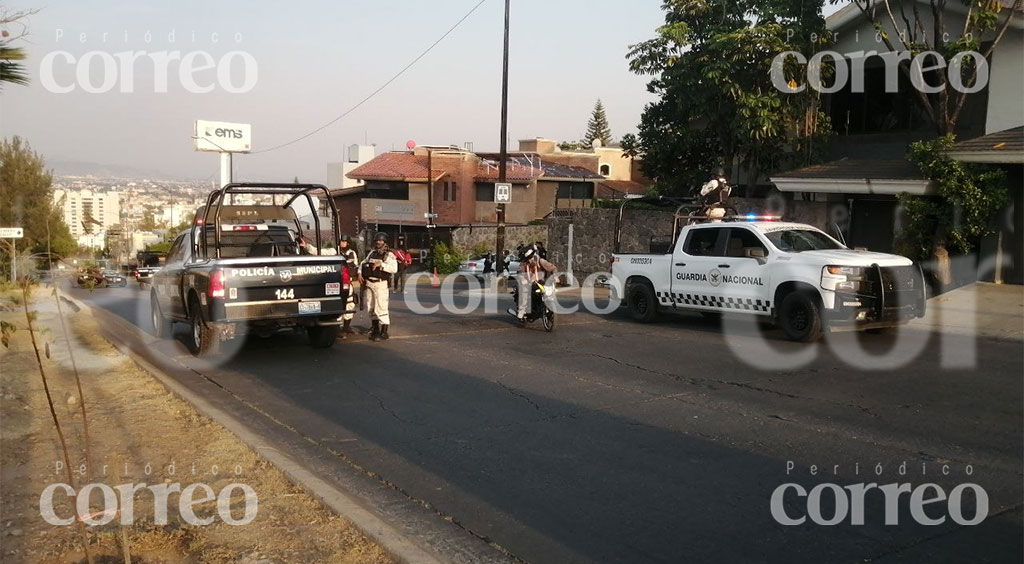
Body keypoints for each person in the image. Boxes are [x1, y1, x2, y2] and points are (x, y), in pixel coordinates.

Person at [359, 232, 398, 341]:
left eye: (381, 241)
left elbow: (394, 268)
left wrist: (382, 265)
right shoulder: (372, 253)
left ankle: (384, 332)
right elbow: (363, 263)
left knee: (381, 307)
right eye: (377, 240)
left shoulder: (389, 255)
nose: (378, 242)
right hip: (370, 283)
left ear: (385, 242)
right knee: (371, 307)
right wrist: (359, 273)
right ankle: (375, 329)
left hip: (381, 284)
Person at [515, 245, 557, 322]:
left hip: (540, 283)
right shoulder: (524, 264)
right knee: (524, 291)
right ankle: (521, 312)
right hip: (528, 284)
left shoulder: (541, 261)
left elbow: (553, 268)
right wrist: (523, 280)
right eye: (528, 259)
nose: (530, 260)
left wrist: (555, 277)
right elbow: (520, 274)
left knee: (549, 292)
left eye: (531, 258)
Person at [338, 234, 359, 336]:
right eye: (341, 241)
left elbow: (354, 265)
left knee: (350, 303)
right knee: (338, 303)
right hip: (338, 282)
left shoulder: (351, 253)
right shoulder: (335, 252)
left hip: (348, 281)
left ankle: (346, 327)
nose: (342, 243)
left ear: (348, 243)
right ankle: (336, 327)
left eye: (344, 241)